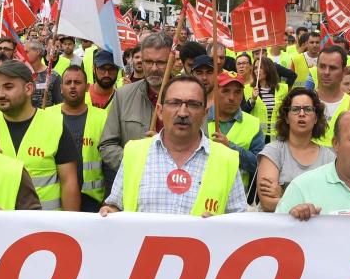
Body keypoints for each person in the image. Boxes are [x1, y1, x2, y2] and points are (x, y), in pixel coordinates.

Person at [101, 76, 246, 216]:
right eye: (174, 103)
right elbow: (116, 206)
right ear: (159, 111)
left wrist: (219, 225)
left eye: (193, 105)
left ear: (205, 113)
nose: (183, 113)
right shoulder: (134, 152)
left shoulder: (226, 160)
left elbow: (239, 222)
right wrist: (110, 213)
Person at [0, 60, 81, 211]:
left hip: (44, 227)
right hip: (0, 227)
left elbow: (69, 183)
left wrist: (69, 227)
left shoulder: (55, 126)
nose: (0, 94)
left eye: (8, 87)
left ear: (28, 89)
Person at [99, 32, 172, 175]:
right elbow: (107, 145)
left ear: (172, 61)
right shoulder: (123, 96)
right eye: (149, 62)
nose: (154, 68)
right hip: (135, 183)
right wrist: (135, 163)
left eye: (161, 62)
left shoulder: (190, 97)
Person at [257, 87, 335, 213]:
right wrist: (310, 204)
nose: (302, 114)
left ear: (316, 118)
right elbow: (267, 202)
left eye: (308, 109)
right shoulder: (273, 151)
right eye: (295, 109)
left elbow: (333, 200)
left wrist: (284, 195)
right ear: (286, 118)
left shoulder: (329, 157)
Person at [47, 65, 108, 212]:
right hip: (57, 197)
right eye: (68, 83)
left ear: (87, 87)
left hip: (93, 200)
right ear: (61, 88)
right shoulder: (46, 116)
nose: (73, 86)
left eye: (77, 82)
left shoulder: (103, 117)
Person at [207, 73, 265, 189]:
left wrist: (230, 148)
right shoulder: (200, 120)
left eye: (237, 92)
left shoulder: (252, 124)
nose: (232, 97)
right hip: (203, 195)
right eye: (226, 91)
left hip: (238, 198)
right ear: (215, 93)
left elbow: (259, 164)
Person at [314, 44, 350, 147]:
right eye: (322, 66)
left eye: (333, 68)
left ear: (343, 71)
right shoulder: (302, 102)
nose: (326, 72)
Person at [26, 40, 62, 107]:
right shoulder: (22, 75)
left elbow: (60, 104)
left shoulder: (53, 76)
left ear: (37, 52)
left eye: (26, 52)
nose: (24, 54)